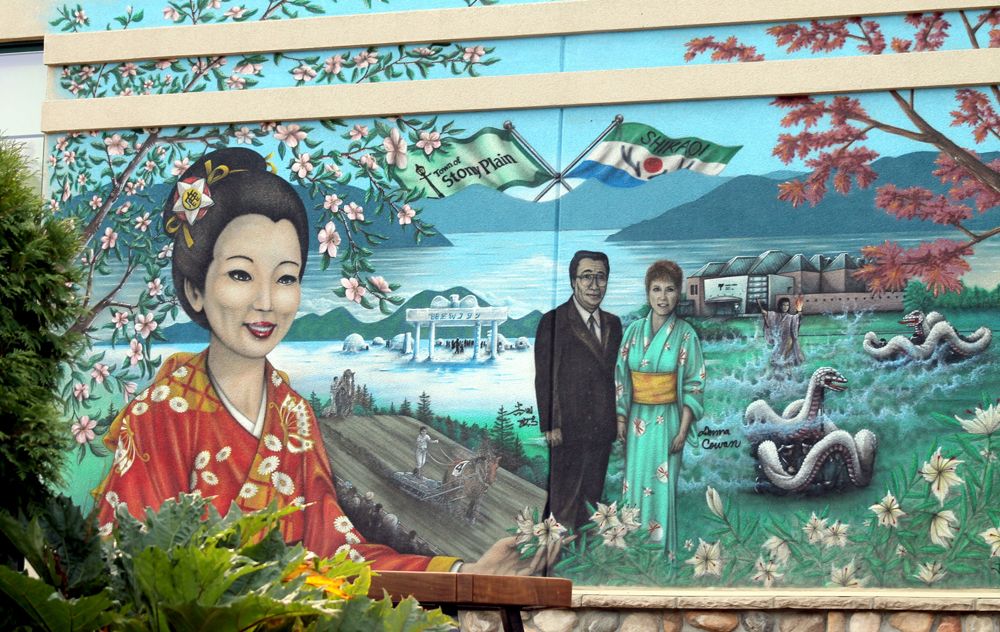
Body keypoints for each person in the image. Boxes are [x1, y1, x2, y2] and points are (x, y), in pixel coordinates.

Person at [92, 147, 550, 574]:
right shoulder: (160, 415)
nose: (267, 302)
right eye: (239, 274)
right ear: (195, 289)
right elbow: (128, 565)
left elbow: (336, 551)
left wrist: (463, 573)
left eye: (286, 278)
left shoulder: (294, 415)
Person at [615, 261, 705, 558]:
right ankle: (631, 553)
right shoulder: (632, 332)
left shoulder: (686, 334)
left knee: (662, 487)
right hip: (637, 420)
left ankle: (661, 553)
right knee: (635, 482)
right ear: (647, 294)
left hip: (669, 422)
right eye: (656, 290)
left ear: (679, 293)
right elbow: (621, 377)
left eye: (669, 290)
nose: (662, 297)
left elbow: (694, 384)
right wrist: (620, 417)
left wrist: (682, 430)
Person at [534, 250, 623, 530]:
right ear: (573, 281)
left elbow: (618, 376)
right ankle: (552, 556)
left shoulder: (613, 324)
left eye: (601, 278)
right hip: (568, 429)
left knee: (591, 500)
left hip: (601, 427)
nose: (595, 286)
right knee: (563, 499)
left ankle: (583, 556)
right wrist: (550, 424)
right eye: (587, 277)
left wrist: (619, 419)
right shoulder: (554, 321)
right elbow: (544, 376)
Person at [757, 296, 805, 373]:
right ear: (780, 306)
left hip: (788, 340)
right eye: (783, 305)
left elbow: (798, 316)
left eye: (787, 305)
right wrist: (764, 312)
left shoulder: (790, 317)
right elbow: (768, 314)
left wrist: (799, 310)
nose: (785, 307)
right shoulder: (776, 315)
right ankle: (779, 373)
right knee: (776, 356)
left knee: (784, 356)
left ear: (789, 306)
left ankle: (787, 372)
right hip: (779, 340)